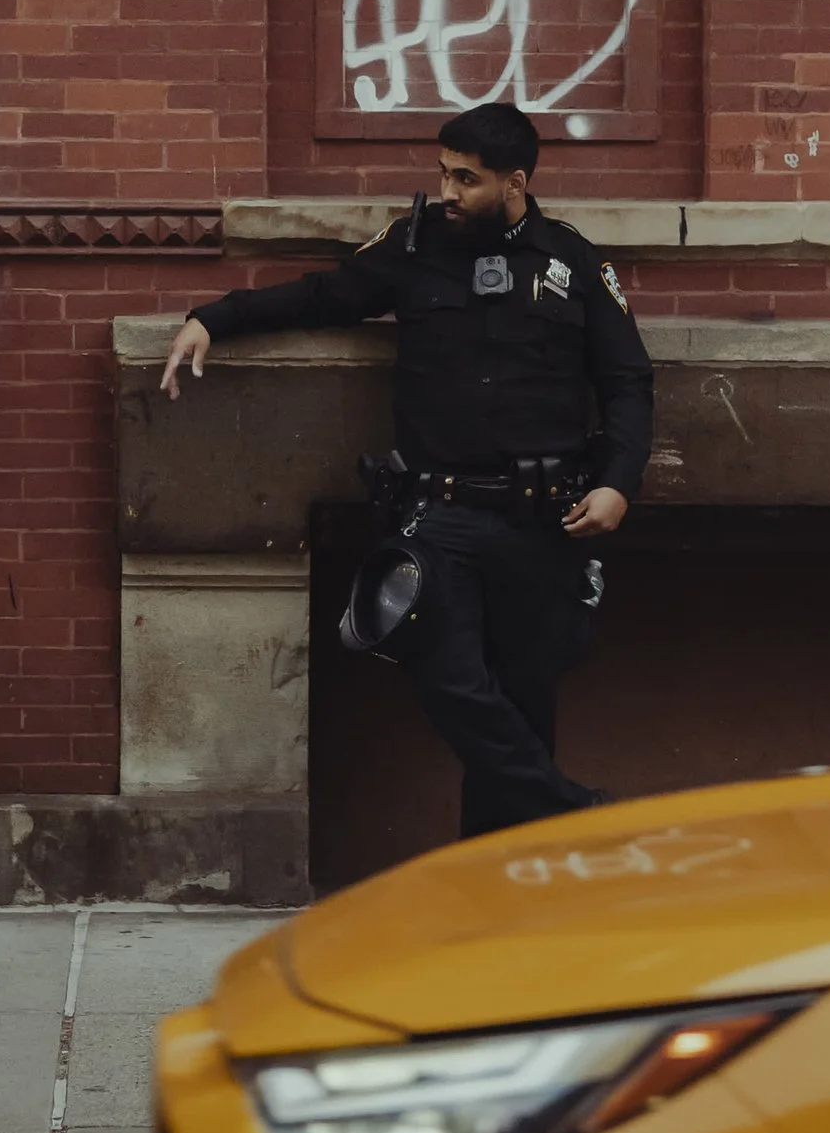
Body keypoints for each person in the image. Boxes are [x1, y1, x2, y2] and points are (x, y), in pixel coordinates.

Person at [160, 104, 653, 840]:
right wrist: (217, 316)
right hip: (440, 514)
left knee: (522, 699)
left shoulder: (572, 261)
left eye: (467, 179)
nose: (447, 191)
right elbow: (326, 296)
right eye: (443, 173)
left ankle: (507, 888)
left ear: (515, 183)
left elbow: (627, 381)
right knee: (448, 677)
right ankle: (573, 813)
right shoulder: (414, 248)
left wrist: (617, 480)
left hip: (542, 519)